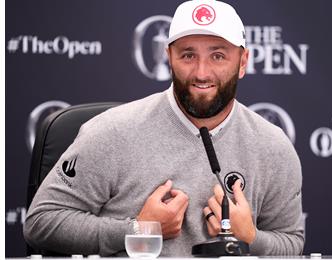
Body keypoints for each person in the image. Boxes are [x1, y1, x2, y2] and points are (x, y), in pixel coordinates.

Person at [24, 0, 304, 256]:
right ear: (168, 57)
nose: (202, 73)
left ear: (242, 62)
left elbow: (291, 244)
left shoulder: (272, 146)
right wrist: (138, 230)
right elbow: (41, 223)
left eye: (218, 56)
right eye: (188, 56)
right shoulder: (113, 131)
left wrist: (250, 238)